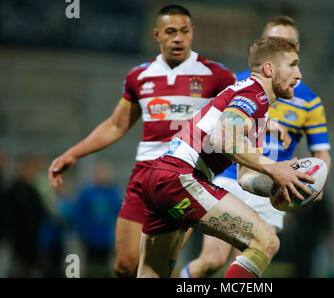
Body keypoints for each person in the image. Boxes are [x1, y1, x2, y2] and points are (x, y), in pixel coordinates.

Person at [48, 5, 236, 277]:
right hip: (144, 174)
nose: (178, 38)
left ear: (192, 33)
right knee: (125, 265)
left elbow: (239, 118)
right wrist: (73, 154)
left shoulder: (217, 76)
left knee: (158, 266)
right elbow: (115, 125)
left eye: (184, 31)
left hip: (185, 176)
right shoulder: (139, 76)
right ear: (157, 35)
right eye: (171, 32)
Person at [137, 36, 317, 278]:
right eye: (293, 65)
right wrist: (275, 168)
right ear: (269, 69)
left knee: (152, 274)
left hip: (162, 177)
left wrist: (282, 184)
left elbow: (245, 179)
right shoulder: (254, 94)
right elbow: (223, 139)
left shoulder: (255, 110)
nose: (299, 75)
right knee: (266, 243)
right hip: (183, 176)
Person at [180, 15, 332, 278]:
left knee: (254, 255)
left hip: (268, 188)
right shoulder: (240, 83)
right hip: (229, 177)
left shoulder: (309, 101)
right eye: (276, 41)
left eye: (289, 43)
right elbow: (218, 133)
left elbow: (321, 153)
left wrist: (319, 180)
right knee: (212, 260)